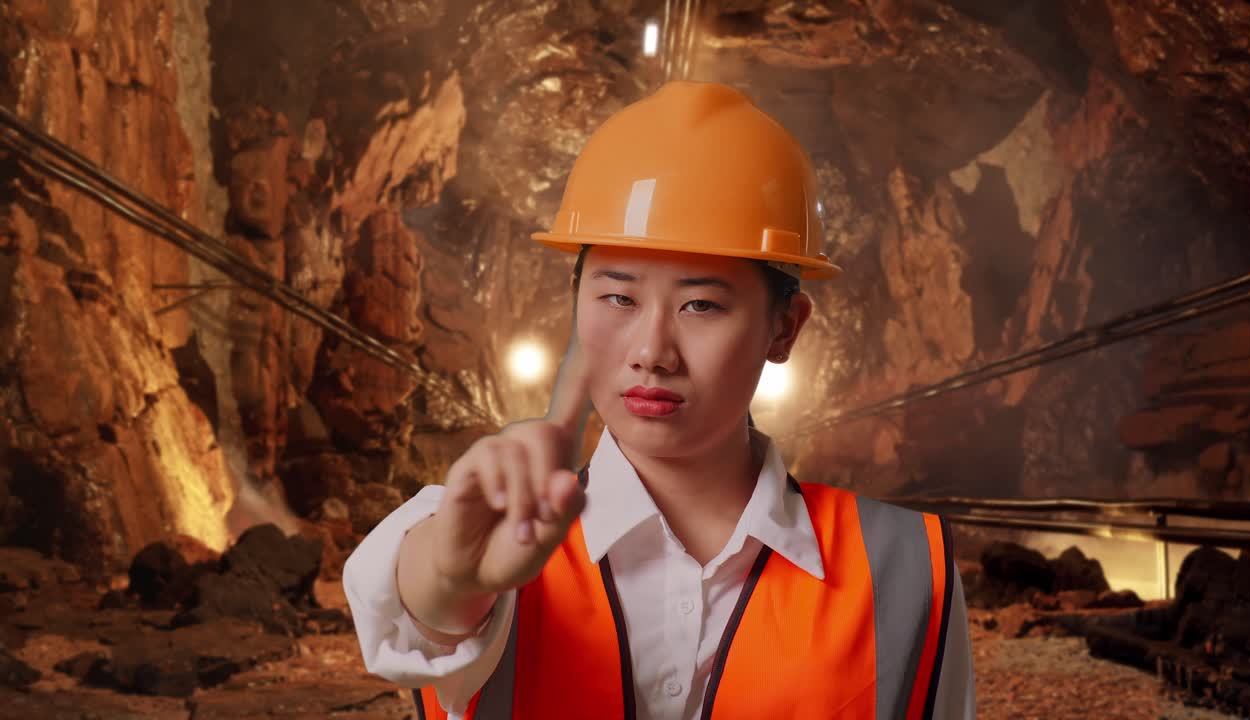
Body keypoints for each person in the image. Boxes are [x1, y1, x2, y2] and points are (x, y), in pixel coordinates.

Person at [344, 80, 976, 720]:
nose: (652, 351)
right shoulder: (489, 535)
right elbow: (410, 612)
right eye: (619, 298)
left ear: (784, 327)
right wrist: (452, 576)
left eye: (701, 304)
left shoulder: (905, 567)